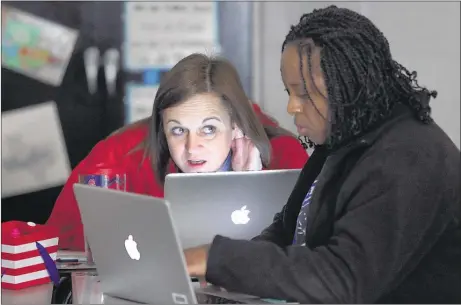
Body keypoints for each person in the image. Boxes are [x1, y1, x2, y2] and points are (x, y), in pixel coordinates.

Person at [184, 6, 461, 303]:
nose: (292, 106)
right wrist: (228, 276)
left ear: (349, 84)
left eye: (303, 93)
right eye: (289, 92)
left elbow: (343, 278)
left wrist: (218, 258)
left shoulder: (410, 158)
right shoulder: (341, 141)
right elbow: (287, 231)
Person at [47, 53, 309, 251]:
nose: (192, 147)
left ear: (237, 126)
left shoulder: (285, 159)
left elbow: (308, 260)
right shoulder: (122, 155)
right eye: (178, 130)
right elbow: (61, 242)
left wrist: (247, 187)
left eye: (208, 129)